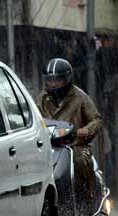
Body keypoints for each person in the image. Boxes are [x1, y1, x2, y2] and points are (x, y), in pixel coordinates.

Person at [36, 58, 102, 202]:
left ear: (67, 79)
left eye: (57, 80)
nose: (53, 84)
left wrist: (85, 131)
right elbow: (34, 120)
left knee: (79, 161)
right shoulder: (41, 99)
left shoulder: (80, 97)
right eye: (50, 80)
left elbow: (96, 119)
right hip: (49, 147)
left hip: (75, 145)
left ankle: (88, 198)